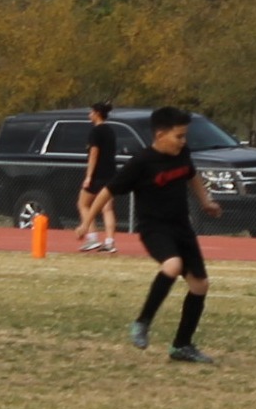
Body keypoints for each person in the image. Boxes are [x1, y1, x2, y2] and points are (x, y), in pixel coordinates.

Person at [74, 106, 222, 363]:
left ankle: (182, 346)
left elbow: (192, 175)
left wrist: (205, 201)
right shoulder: (142, 162)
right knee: (173, 265)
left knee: (200, 286)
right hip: (154, 228)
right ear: (160, 134)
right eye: (179, 136)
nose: (183, 142)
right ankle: (143, 322)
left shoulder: (182, 154)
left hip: (181, 227)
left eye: (185, 136)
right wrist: (87, 222)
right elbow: (108, 191)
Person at [78, 101, 119, 253]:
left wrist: (89, 176)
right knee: (107, 209)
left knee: (83, 204)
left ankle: (92, 238)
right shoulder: (110, 130)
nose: (89, 115)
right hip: (111, 174)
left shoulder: (96, 132)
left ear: (96, 113)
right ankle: (109, 242)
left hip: (98, 175)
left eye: (91, 112)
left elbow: (94, 154)